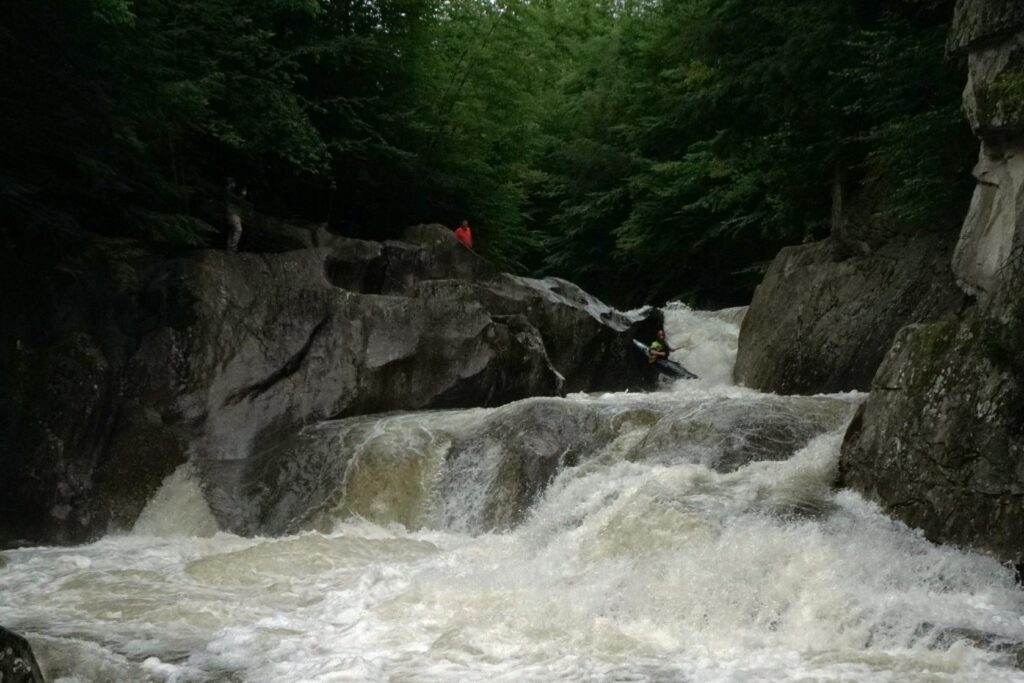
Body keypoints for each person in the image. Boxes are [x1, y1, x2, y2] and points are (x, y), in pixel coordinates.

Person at [225, 178, 246, 252]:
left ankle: (229, 250)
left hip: (234, 214)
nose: (234, 184)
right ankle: (233, 248)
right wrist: (243, 195)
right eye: (232, 183)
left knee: (232, 231)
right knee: (238, 229)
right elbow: (236, 200)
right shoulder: (228, 191)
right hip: (232, 214)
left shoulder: (230, 191)